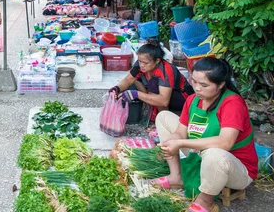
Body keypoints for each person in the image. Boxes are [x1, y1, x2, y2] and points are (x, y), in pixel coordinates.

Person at [154, 58, 257, 212]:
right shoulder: (193, 100)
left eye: (204, 85)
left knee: (215, 154)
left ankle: (206, 200)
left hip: (234, 168)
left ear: (221, 84)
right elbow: (180, 131)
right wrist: (171, 142)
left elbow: (225, 143)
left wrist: (181, 144)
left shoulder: (232, 103)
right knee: (164, 117)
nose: (197, 88)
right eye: (194, 81)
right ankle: (176, 176)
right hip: (202, 154)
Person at [110, 40, 193, 120]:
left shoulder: (166, 70)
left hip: (184, 99)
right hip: (164, 96)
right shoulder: (140, 64)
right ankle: (152, 109)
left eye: (145, 63)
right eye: (140, 61)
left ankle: (163, 120)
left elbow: (164, 101)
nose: (142, 65)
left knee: (153, 84)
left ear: (157, 61)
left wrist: (136, 94)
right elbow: (128, 80)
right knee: (135, 79)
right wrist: (116, 88)